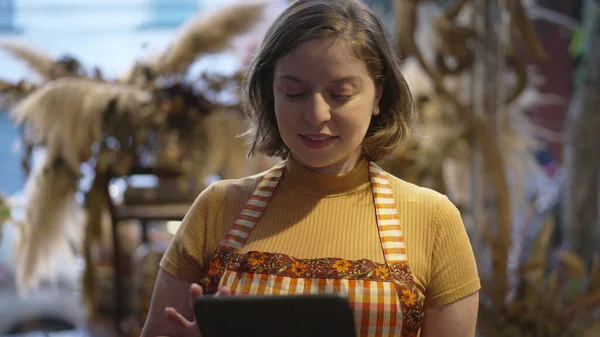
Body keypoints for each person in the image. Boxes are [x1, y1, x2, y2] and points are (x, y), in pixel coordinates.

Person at [141, 0, 480, 336]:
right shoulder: (216, 208)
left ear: (378, 95)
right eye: (294, 92)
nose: (316, 115)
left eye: (340, 94)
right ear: (270, 92)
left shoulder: (433, 221)